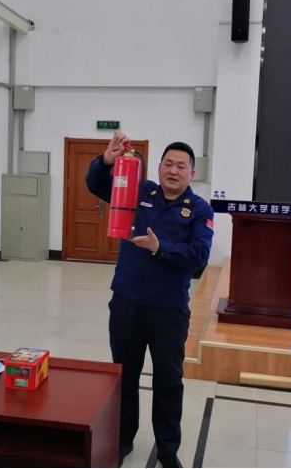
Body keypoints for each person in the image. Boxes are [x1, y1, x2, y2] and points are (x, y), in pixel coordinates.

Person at [86, 132, 214, 468]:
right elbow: (96, 185)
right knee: (124, 376)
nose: (173, 170)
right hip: (126, 301)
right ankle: (123, 439)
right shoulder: (140, 190)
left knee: (168, 381)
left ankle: (167, 449)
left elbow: (199, 255)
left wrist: (160, 249)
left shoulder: (199, 209)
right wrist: (106, 161)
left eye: (181, 166)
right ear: (157, 168)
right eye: (168, 164)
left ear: (192, 173)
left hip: (168, 310)